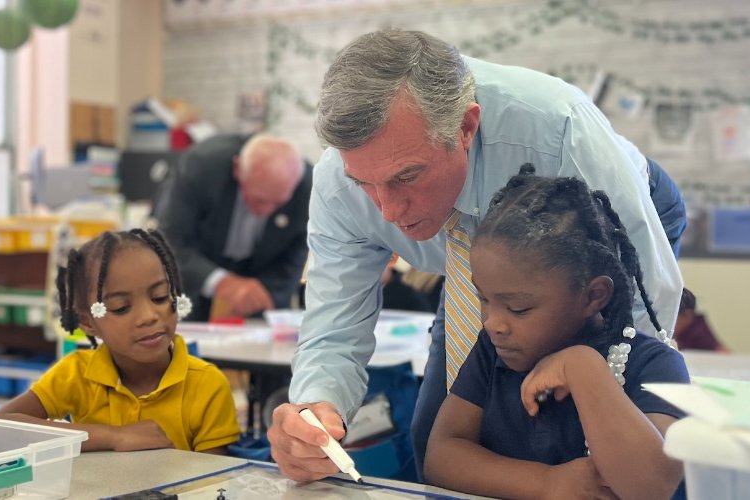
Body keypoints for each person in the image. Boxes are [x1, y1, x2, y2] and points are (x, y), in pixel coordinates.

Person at [271, 28, 687, 482]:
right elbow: (334, 327)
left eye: (407, 176)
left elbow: (644, 307)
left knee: (574, 433)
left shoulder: (558, 129)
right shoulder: (339, 179)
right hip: (487, 265)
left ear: (466, 128)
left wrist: (625, 409)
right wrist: (315, 410)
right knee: (434, 431)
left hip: (602, 222)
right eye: (364, 183)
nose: (388, 211)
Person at [424, 167, 687, 499]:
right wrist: (545, 483)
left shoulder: (654, 365)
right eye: (484, 299)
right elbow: (441, 456)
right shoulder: (492, 350)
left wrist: (583, 368)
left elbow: (651, 487)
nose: (493, 322)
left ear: (593, 296)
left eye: (518, 308)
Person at [0, 229, 240, 454]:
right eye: (121, 308)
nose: (149, 316)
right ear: (88, 322)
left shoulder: (208, 385)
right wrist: (114, 436)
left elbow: (215, 485)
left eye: (160, 297)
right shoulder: (76, 374)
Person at [154, 134, 311, 321]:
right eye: (260, 200)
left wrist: (267, 291)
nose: (266, 211)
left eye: (278, 203)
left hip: (261, 287)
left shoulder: (308, 188)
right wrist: (219, 281)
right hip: (194, 280)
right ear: (238, 170)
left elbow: (296, 252)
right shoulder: (202, 167)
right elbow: (170, 241)